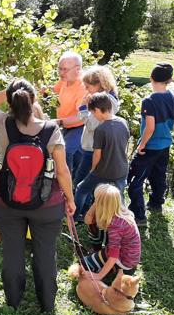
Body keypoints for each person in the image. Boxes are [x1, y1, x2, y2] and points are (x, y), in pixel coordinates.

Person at [0, 79, 75, 312]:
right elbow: (63, 171)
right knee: (45, 253)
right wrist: (71, 199)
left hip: (8, 200)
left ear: (12, 101)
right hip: (46, 203)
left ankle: (13, 302)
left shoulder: (3, 122)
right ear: (33, 100)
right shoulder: (51, 130)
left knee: (12, 252)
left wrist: (10, 91)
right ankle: (46, 304)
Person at [127, 63, 174, 227]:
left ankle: (139, 215)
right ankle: (156, 204)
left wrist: (142, 144)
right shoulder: (173, 97)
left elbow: (150, 127)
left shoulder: (149, 101)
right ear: (170, 80)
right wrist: (167, 129)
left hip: (150, 147)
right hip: (165, 145)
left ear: (151, 78)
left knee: (135, 179)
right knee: (158, 176)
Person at [73, 93, 130, 222]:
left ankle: (74, 218)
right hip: (122, 169)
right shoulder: (123, 122)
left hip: (103, 171)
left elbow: (97, 154)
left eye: (93, 113)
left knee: (81, 189)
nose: (93, 116)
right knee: (118, 196)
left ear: (98, 110)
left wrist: (93, 170)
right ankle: (125, 221)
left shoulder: (100, 129)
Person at [80, 184, 141, 284]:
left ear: (103, 204)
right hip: (128, 255)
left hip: (124, 260)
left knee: (83, 264)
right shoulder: (120, 211)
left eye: (96, 200)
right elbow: (88, 220)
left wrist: (99, 276)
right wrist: (97, 203)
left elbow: (113, 255)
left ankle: (112, 268)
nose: (94, 202)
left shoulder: (116, 225)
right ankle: (105, 261)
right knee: (92, 227)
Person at [75, 65, 120, 187]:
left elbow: (90, 125)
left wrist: (83, 107)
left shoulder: (102, 101)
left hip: (92, 148)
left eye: (88, 86)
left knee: (81, 184)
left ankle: (79, 206)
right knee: (95, 183)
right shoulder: (111, 98)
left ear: (99, 84)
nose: (87, 90)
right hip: (99, 147)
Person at [52, 51, 88, 179]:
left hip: (80, 126)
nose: (61, 73)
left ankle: (65, 183)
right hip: (67, 126)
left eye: (65, 69)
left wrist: (59, 122)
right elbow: (54, 89)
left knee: (64, 152)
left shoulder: (83, 88)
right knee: (77, 159)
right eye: (60, 69)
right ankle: (73, 185)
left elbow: (81, 117)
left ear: (78, 69)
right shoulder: (65, 80)